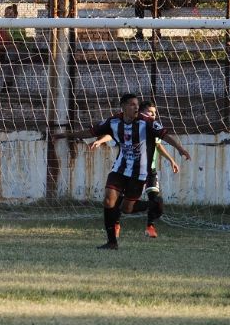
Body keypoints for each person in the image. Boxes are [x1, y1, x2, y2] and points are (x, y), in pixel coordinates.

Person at [57, 93, 190, 250]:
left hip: (139, 172)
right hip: (119, 169)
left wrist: (180, 149)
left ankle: (153, 204)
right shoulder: (114, 121)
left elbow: (165, 136)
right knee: (108, 200)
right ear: (124, 106)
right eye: (132, 104)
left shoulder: (147, 122)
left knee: (126, 208)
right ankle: (112, 242)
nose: (136, 107)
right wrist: (66, 135)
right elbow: (91, 132)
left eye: (137, 104)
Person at [92, 101, 179, 238]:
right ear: (143, 112)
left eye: (155, 113)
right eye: (151, 112)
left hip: (150, 171)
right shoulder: (135, 124)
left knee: (153, 197)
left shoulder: (151, 126)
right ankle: (116, 223)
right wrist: (101, 140)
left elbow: (158, 146)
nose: (154, 115)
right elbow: (112, 132)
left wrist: (172, 160)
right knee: (121, 198)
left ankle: (150, 227)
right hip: (131, 171)